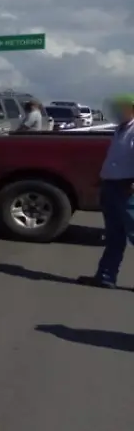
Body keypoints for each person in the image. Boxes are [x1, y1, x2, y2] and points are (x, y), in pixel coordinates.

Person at [77, 94, 134, 289]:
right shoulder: (120, 130)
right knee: (114, 237)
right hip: (112, 186)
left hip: (127, 188)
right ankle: (105, 277)